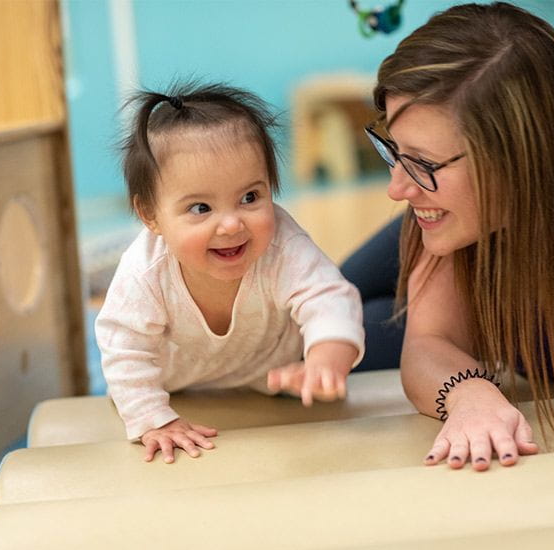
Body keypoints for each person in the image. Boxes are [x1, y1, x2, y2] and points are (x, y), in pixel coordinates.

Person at [349, 2, 554, 516]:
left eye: (421, 162)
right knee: (303, 325)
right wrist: (470, 394)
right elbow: (431, 341)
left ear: (523, 161)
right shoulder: (444, 192)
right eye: (395, 150)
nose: (395, 189)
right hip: (471, 217)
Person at [95, 82, 364, 463]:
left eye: (250, 198)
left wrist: (325, 360)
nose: (231, 225)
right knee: (129, 380)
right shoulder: (145, 271)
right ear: (150, 216)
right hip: (176, 384)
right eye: (201, 208)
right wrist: (153, 418)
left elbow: (328, 297)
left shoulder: (282, 246)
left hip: (271, 377)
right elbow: (123, 343)